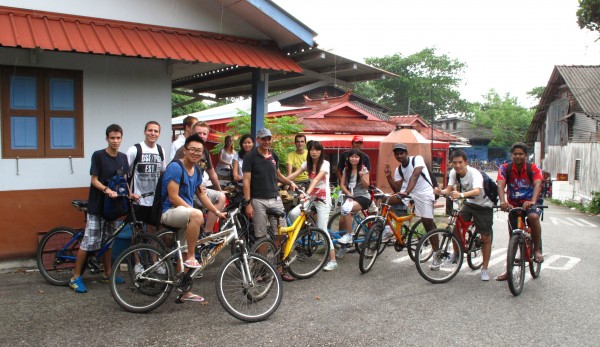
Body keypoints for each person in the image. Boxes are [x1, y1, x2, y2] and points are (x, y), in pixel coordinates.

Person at [160, 134, 226, 302]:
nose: (196, 153)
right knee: (196, 218)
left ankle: (184, 291)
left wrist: (216, 212)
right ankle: (191, 257)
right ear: (185, 150)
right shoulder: (175, 167)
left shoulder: (196, 170)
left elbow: (202, 196)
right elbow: (173, 197)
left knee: (183, 250)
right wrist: (193, 212)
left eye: (200, 151)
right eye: (193, 150)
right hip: (170, 212)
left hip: (185, 215)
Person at [69, 124, 131, 293]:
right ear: (107, 138)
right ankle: (75, 277)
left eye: (118, 138)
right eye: (112, 138)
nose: (115, 141)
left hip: (113, 207)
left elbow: (124, 180)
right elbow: (94, 180)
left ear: (121, 139)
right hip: (98, 206)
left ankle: (107, 273)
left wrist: (130, 194)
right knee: (89, 243)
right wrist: (106, 190)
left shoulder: (123, 158)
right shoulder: (98, 156)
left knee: (109, 242)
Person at [242, 128, 297, 281]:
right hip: (258, 200)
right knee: (261, 235)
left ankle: (279, 268)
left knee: (281, 233)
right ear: (258, 139)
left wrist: (290, 182)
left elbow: (278, 175)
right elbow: (246, 181)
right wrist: (248, 203)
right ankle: (262, 270)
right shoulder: (250, 157)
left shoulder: (273, 155)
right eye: (263, 139)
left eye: (269, 139)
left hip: (275, 198)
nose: (266, 142)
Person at [434, 149, 494, 281]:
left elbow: (477, 191)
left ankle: (484, 268)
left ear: (466, 162)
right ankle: (456, 253)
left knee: (485, 237)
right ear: (451, 164)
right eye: (454, 163)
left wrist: (460, 195)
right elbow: (449, 189)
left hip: (484, 205)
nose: (457, 165)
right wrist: (440, 191)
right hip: (469, 203)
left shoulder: (474, 173)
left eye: (460, 162)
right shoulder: (454, 173)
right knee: (454, 224)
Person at [495, 142, 544, 281]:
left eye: (521, 154)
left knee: (533, 217)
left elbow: (538, 184)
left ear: (525, 155)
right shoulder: (505, 168)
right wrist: (503, 201)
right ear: (512, 155)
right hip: (514, 204)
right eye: (515, 154)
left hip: (531, 202)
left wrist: (533, 201)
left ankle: (537, 250)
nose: (518, 156)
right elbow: (500, 184)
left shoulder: (533, 168)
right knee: (513, 238)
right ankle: (508, 271)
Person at [287, 141, 337, 271]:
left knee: (322, 228)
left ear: (321, 151)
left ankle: (333, 260)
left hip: (323, 200)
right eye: (312, 149)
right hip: (311, 198)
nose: (314, 152)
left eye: (317, 150)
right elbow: (294, 174)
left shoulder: (325, 164)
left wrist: (307, 193)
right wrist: (283, 181)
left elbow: (316, 180)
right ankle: (305, 240)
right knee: (293, 215)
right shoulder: (307, 164)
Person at [384, 143, 437, 262]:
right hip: (408, 193)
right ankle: (387, 230)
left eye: (401, 153)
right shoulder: (399, 169)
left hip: (424, 193)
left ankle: (437, 252)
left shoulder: (417, 159)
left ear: (407, 153)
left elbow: (415, 176)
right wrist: (388, 176)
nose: (399, 156)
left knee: (428, 223)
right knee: (385, 200)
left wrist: (407, 191)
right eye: (396, 154)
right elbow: (397, 189)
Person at [173, 121, 226, 234]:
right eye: (199, 133)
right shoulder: (184, 150)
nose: (202, 136)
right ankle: (206, 233)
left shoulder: (205, 152)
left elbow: (212, 173)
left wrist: (219, 189)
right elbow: (175, 171)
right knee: (217, 198)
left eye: (204, 133)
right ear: (192, 133)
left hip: (198, 189)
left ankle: (206, 233)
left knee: (221, 196)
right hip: (185, 192)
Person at [336, 149, 371, 259]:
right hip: (351, 196)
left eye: (356, 157)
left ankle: (349, 236)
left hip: (363, 197)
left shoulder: (364, 169)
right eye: (352, 156)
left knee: (346, 208)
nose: (354, 159)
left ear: (360, 159)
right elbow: (342, 184)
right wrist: (348, 194)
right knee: (342, 222)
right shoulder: (347, 169)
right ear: (348, 158)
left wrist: (361, 176)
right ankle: (343, 247)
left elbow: (367, 186)